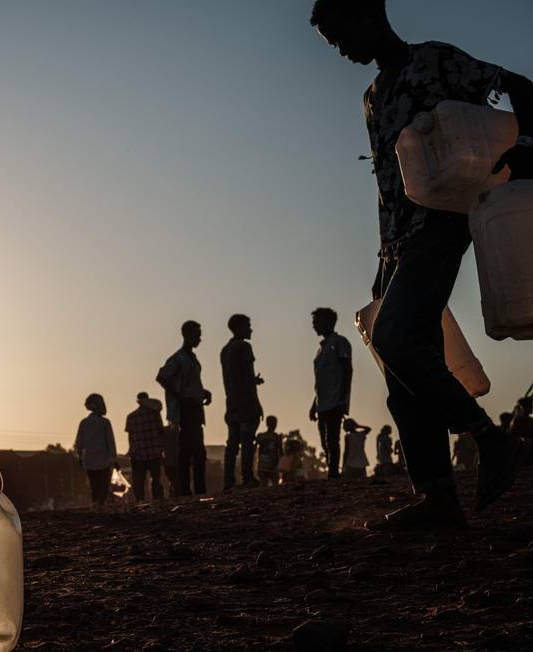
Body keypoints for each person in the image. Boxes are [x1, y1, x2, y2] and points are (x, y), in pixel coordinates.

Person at [311, 0, 533, 529]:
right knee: (401, 370)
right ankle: (437, 498)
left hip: (440, 227)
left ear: (370, 14)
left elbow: (521, 86)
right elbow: (391, 180)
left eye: (341, 34)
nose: (339, 49)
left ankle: (490, 439)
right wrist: (382, 256)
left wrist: (523, 145)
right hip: (394, 243)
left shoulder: (434, 61)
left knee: (397, 337)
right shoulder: (371, 97)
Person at [157, 320, 212, 496]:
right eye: (197, 334)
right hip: (185, 409)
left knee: (193, 450)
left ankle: (192, 489)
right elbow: (162, 377)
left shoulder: (192, 359)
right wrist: (180, 397)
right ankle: (189, 489)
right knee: (191, 450)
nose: (200, 338)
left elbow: (191, 384)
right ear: (187, 334)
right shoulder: (178, 358)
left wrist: (204, 392)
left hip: (195, 407)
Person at [220, 314, 264, 491]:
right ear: (238, 327)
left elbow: (236, 377)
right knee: (247, 441)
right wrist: (256, 402)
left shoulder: (225, 350)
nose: (250, 329)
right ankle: (247, 477)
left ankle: (229, 480)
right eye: (248, 326)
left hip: (231, 403)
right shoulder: (244, 347)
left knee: (232, 443)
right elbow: (246, 376)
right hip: (246, 403)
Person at [308, 307, 353, 480]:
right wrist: (314, 404)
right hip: (322, 402)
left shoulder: (340, 343)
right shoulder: (321, 349)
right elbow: (321, 382)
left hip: (335, 400)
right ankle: (331, 469)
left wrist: (343, 398)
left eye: (317, 322)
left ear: (328, 322)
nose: (314, 326)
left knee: (332, 438)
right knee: (324, 440)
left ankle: (334, 472)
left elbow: (347, 371)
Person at [74, 393, 117, 507]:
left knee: (94, 486)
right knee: (103, 486)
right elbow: (110, 442)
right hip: (104, 461)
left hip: (90, 461)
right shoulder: (105, 423)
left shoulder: (84, 423)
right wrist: (114, 459)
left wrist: (79, 456)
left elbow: (79, 443)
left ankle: (95, 505)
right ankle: (100, 505)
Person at [125, 392, 165, 502]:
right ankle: (158, 500)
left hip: (138, 453)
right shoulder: (155, 414)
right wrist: (162, 449)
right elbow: (161, 431)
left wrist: (131, 450)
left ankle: (140, 500)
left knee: (139, 481)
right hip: (154, 451)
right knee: (156, 480)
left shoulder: (131, 416)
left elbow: (130, 436)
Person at [255, 415, 283, 487]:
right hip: (270, 464)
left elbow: (254, 449)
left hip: (265, 464)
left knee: (265, 483)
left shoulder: (261, 436)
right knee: (274, 484)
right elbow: (281, 452)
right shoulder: (276, 437)